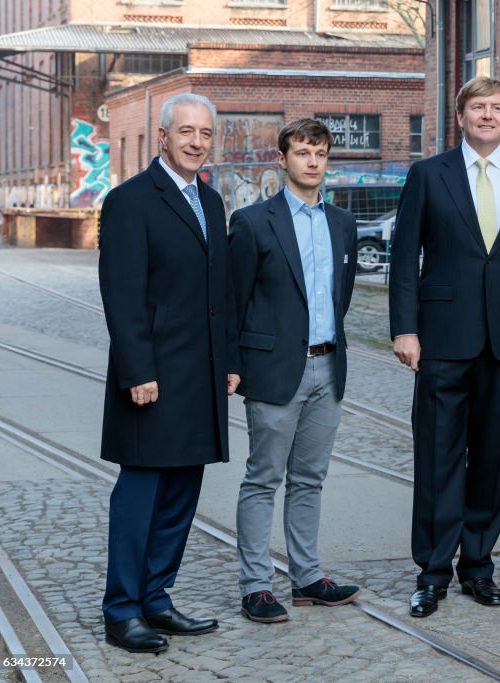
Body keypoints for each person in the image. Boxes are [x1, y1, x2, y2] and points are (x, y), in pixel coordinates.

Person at [389, 76, 500, 618]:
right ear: (460, 116)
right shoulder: (427, 174)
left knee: (493, 457)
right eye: (477, 107)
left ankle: (478, 565)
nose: (487, 115)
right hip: (441, 338)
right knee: (437, 456)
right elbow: (404, 257)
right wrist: (404, 329)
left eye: (497, 108)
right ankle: (432, 571)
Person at [98, 93, 240, 653]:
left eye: (205, 133)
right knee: (140, 493)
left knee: (183, 490)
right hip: (151, 375)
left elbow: (220, 293)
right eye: (186, 132)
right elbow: (121, 295)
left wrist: (230, 362)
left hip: (200, 375)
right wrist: (137, 369)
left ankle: (157, 599)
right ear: (163, 136)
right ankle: (121, 610)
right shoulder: (130, 201)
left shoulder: (212, 201)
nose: (196, 142)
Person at [228, 118, 360, 623]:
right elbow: (234, 300)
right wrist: (236, 365)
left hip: (328, 367)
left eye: (320, 154)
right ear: (281, 159)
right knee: (263, 478)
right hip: (274, 371)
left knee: (310, 478)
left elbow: (339, 298)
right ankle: (256, 586)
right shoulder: (253, 221)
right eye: (303, 152)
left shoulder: (342, 224)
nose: (312, 162)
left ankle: (306, 577)